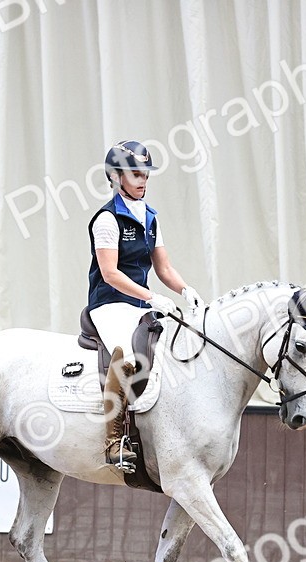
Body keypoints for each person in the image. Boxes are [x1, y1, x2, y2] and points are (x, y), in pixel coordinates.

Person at [86, 140, 202, 473]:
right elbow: (110, 273)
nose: (142, 180)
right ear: (116, 177)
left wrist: (184, 290)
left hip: (140, 303)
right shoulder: (107, 220)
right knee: (126, 355)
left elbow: (163, 268)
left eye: (145, 175)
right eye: (135, 174)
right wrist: (151, 297)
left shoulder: (150, 216)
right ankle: (112, 441)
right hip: (109, 303)